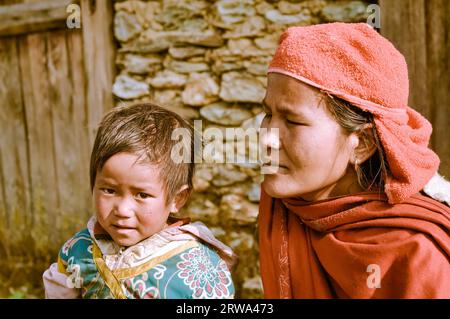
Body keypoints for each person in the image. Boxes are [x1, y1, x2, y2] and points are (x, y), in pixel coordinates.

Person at [258, 22, 450, 298]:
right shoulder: (291, 204)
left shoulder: (419, 254)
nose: (267, 139)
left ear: (362, 143)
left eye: (293, 121)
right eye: (268, 114)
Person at [43, 103, 236, 299]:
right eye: (109, 190)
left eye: (142, 195)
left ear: (177, 199)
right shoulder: (79, 249)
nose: (123, 210)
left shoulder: (196, 268)